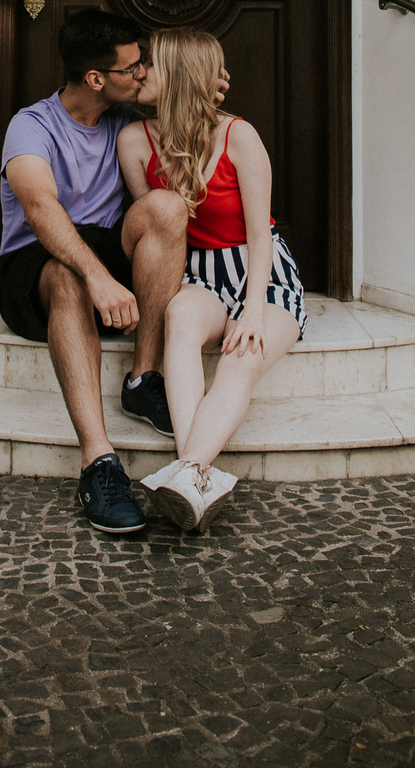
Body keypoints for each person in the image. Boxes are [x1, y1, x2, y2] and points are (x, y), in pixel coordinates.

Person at [0, 9, 190, 535]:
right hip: (31, 265)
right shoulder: (30, 126)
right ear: (96, 78)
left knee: (167, 208)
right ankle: (98, 462)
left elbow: (186, 117)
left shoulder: (126, 119)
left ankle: (143, 377)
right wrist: (98, 277)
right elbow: (40, 209)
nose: (144, 73)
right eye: (134, 67)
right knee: (67, 275)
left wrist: (199, 84)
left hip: (105, 251)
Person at [117, 27, 306, 533]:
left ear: (175, 76)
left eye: (149, 66)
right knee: (179, 315)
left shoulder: (238, 135)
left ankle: (188, 472)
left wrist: (251, 309)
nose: (139, 73)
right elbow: (158, 229)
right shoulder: (135, 141)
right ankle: (195, 475)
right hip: (199, 272)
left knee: (241, 358)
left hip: (258, 272)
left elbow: (261, 234)